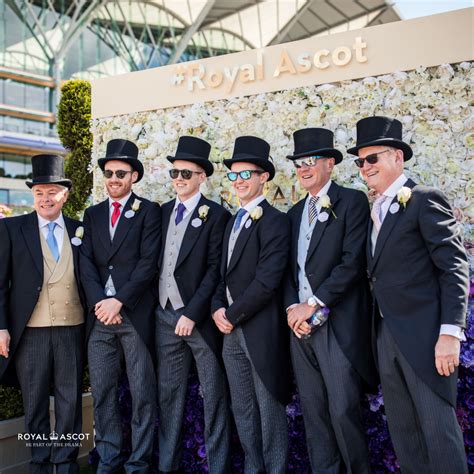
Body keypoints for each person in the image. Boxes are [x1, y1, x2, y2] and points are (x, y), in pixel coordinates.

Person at [350, 116, 469, 473]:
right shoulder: (374, 209)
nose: (365, 166)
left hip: (425, 339)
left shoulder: (424, 200)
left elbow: (454, 268)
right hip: (385, 338)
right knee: (404, 435)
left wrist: (450, 334)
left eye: (373, 158)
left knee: (438, 433)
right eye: (360, 161)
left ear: (398, 157)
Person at [284, 127, 377, 473]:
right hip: (300, 330)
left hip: (336, 326)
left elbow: (352, 262)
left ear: (329, 164)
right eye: (298, 163)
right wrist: (293, 309)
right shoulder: (293, 214)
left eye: (311, 161)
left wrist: (315, 303)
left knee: (342, 411)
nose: (304, 168)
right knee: (315, 414)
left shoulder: (351, 201)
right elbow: (288, 272)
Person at [0, 154, 86, 474]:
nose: (45, 198)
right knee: (34, 401)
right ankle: (39, 461)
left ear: (65, 194)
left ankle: (65, 462)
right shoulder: (11, 228)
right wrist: (1, 328)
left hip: (72, 328)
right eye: (39, 192)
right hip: (30, 331)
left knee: (70, 400)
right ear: (32, 195)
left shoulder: (81, 230)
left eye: (52, 191)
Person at [80, 139, 161, 473]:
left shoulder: (149, 211)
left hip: (133, 315)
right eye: (109, 172)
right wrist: (101, 302)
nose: (114, 178)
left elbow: (148, 263)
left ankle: (138, 463)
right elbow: (85, 263)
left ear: (134, 176)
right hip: (100, 318)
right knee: (103, 393)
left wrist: (119, 300)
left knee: (142, 394)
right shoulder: (93, 213)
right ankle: (109, 459)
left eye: (121, 173)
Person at [211, 136, 291, 474]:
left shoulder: (275, 221)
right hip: (229, 332)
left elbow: (267, 281)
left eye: (248, 174)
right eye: (234, 175)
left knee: (268, 409)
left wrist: (230, 314)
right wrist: (216, 308)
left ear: (264, 177)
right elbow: (220, 274)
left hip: (259, 330)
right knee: (242, 409)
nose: (239, 181)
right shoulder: (231, 221)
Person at [156, 136, 231, 473]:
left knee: (213, 397)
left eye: (187, 173)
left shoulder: (216, 215)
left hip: (197, 320)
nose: (179, 180)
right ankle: (167, 465)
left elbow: (216, 270)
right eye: (175, 172)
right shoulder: (161, 213)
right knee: (168, 398)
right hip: (163, 317)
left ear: (202, 176)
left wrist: (192, 312)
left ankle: (217, 466)